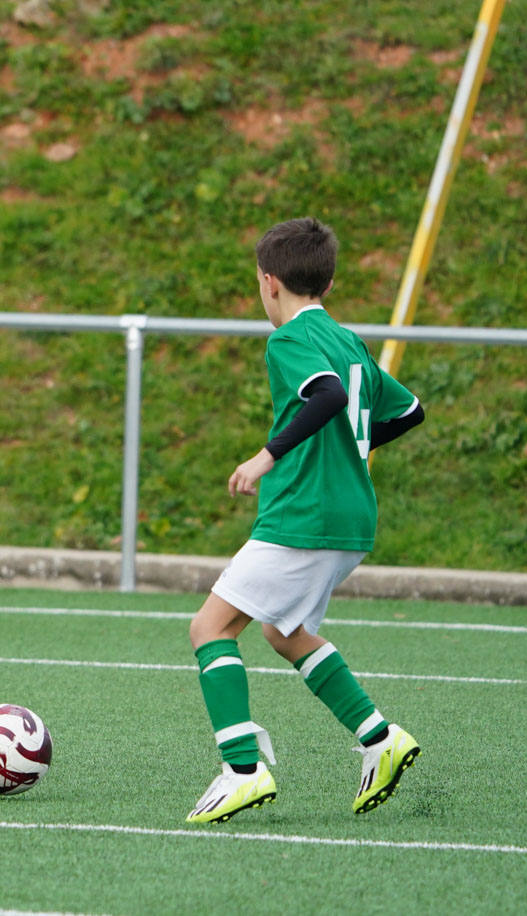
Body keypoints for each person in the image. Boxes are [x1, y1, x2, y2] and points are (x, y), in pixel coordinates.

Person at [185, 217, 425, 824]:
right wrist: (353, 452)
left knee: (210, 628)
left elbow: (327, 397)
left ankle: (241, 770)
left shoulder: (288, 340)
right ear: (330, 281)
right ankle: (379, 738)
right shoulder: (348, 340)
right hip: (350, 516)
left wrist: (267, 456)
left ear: (269, 283)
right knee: (281, 632)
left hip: (305, 514)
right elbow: (409, 410)